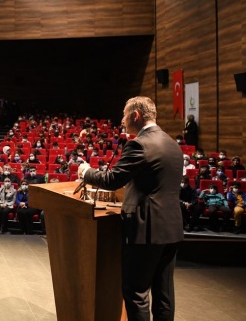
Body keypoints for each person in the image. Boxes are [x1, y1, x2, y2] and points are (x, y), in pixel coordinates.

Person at [77, 96, 183, 321]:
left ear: (135, 115)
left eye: (124, 114)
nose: (122, 120)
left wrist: (85, 172)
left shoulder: (139, 144)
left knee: (136, 293)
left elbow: (113, 179)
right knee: (164, 294)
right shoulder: (172, 144)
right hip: (172, 228)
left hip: (146, 230)